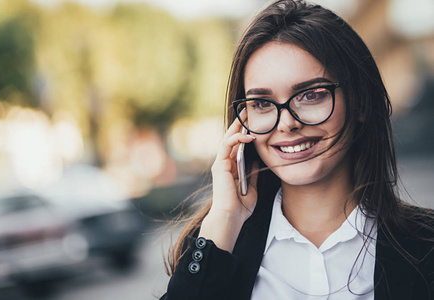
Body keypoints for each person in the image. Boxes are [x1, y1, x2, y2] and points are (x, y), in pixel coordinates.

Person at [160, 1, 434, 299]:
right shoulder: (216, 247)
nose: (287, 123)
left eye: (311, 94)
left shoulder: (426, 244)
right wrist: (225, 218)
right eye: (262, 103)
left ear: (360, 103)